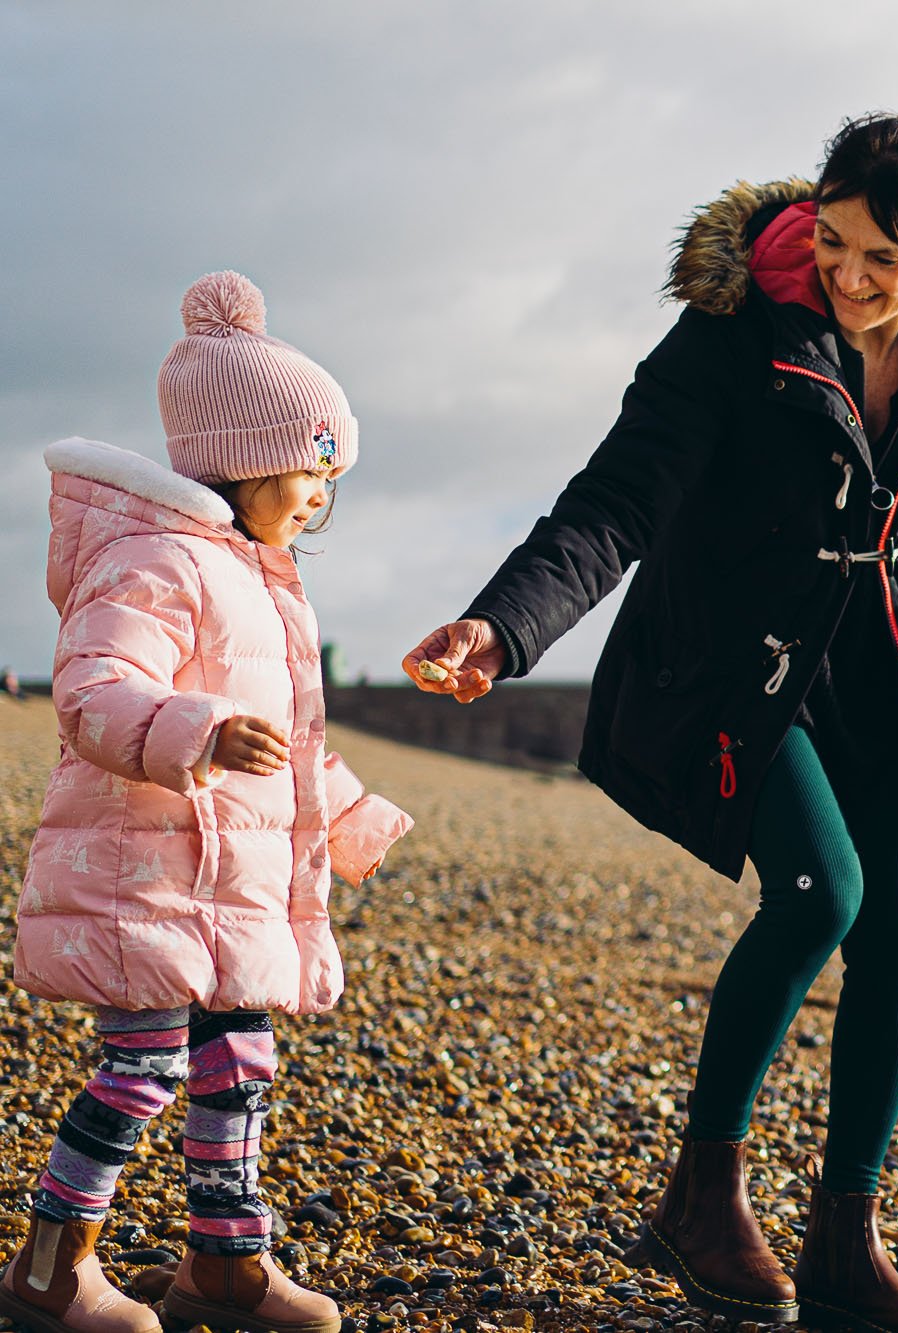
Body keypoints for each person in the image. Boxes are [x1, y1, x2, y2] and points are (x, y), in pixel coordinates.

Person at [405, 98, 898, 1332]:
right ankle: (703, 1189)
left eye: (882, 260)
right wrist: (503, 625)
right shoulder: (734, 328)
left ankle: (846, 1242)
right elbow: (616, 500)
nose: (848, 276)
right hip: (730, 664)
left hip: (882, 682)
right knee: (819, 893)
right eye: (835, 242)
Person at [0, 272, 413, 1333]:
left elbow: (282, 740)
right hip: (146, 873)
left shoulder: (261, 580)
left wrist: (348, 815)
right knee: (143, 1065)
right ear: (237, 458)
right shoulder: (153, 561)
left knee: (238, 1069)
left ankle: (227, 1261)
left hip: (226, 886)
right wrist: (196, 729)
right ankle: (53, 1267)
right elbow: (92, 695)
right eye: (309, 466)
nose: (320, 492)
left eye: (331, 473)